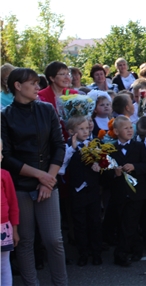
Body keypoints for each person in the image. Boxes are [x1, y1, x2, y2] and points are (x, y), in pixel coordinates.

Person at [1, 68, 68, 285]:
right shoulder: (4, 115)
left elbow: (59, 146)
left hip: (48, 183)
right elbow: (7, 157)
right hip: (20, 186)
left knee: (54, 240)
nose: (38, 87)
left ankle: (61, 283)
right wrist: (40, 175)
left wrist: (48, 180)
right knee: (26, 241)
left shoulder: (47, 109)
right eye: (32, 83)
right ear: (18, 86)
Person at [108, 116, 146, 266]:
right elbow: (105, 170)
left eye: (131, 127)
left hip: (137, 192)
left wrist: (135, 167)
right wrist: (114, 173)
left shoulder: (139, 146)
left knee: (130, 221)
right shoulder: (111, 148)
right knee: (124, 222)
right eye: (125, 128)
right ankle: (137, 248)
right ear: (116, 131)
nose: (129, 130)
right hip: (119, 192)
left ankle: (121, 254)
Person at [61, 115, 103, 266]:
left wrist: (99, 165)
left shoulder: (94, 144)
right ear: (72, 131)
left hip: (92, 189)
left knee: (95, 221)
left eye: (87, 128)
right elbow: (61, 168)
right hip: (77, 190)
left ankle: (96, 252)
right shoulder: (67, 147)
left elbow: (104, 161)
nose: (86, 131)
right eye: (81, 129)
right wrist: (71, 149)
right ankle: (83, 253)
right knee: (80, 223)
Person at [1, 145, 19, 286]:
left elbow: (13, 204)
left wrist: (15, 229)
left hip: (3, 228)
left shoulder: (4, 175)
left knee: (4, 265)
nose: (1, 157)